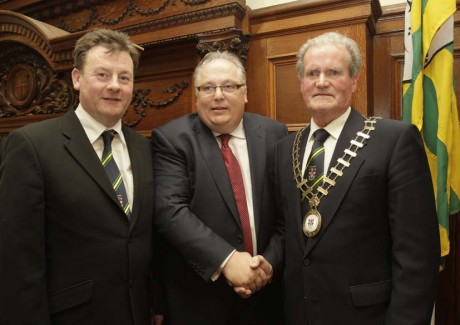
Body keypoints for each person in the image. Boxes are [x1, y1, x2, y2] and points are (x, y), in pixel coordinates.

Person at [273, 32, 440, 324]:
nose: (321, 81)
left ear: (354, 81)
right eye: (312, 73)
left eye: (333, 72)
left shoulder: (394, 140)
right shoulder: (284, 149)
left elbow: (417, 257)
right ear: (301, 84)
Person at [0, 29, 155, 325]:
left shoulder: (144, 147)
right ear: (76, 78)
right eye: (102, 74)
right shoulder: (32, 145)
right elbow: (17, 264)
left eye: (124, 77)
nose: (115, 86)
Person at [152, 51, 287, 324]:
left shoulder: (275, 134)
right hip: (202, 301)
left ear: (245, 93)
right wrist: (227, 261)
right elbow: (171, 212)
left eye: (229, 86)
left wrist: (267, 266)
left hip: (269, 298)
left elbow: (287, 214)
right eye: (207, 87)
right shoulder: (172, 139)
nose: (218, 95)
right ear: (197, 95)